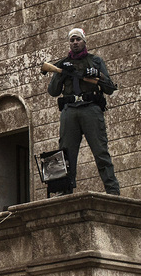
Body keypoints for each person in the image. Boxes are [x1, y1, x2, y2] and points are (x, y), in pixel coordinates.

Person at [47, 28, 120, 195]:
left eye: (78, 39)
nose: (75, 43)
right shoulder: (62, 63)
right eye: (72, 40)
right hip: (70, 111)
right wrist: (61, 73)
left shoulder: (95, 61)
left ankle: (112, 190)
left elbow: (109, 88)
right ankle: (65, 191)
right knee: (66, 154)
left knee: (100, 152)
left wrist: (98, 75)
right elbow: (53, 91)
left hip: (90, 109)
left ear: (84, 41)